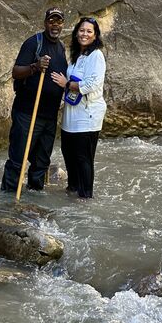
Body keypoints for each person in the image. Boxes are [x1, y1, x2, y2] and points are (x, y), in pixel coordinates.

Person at [1, 7, 68, 192]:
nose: (55, 25)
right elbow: (16, 72)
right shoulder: (33, 43)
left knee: (42, 162)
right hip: (28, 114)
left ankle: (35, 197)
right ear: (45, 23)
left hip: (49, 116)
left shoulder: (61, 48)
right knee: (18, 160)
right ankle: (7, 200)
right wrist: (35, 66)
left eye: (59, 21)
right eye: (51, 21)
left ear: (63, 24)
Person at [51, 17, 107, 199]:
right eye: (81, 30)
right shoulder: (77, 56)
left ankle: (85, 197)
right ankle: (72, 189)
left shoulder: (96, 55)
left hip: (88, 114)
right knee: (68, 152)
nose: (84, 34)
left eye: (89, 31)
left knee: (84, 158)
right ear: (76, 33)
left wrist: (66, 84)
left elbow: (91, 84)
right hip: (71, 114)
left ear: (95, 35)